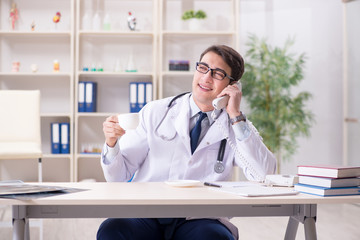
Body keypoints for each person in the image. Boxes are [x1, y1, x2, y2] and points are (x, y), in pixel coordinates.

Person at [97, 45, 276, 240]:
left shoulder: (236, 125)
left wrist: (235, 115)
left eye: (218, 74)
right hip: (147, 212)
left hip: (200, 217)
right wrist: (112, 142)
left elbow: (265, 175)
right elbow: (118, 177)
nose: (206, 77)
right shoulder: (156, 111)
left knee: (215, 238)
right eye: (203, 68)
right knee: (112, 229)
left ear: (233, 86)